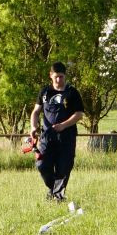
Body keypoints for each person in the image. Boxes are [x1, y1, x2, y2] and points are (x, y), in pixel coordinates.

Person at [30, 61, 85, 205]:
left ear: (65, 76)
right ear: (51, 76)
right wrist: (33, 127)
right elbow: (36, 112)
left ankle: (58, 197)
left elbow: (79, 114)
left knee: (64, 167)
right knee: (42, 164)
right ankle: (53, 190)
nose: (59, 80)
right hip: (47, 137)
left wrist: (63, 125)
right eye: (56, 77)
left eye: (61, 77)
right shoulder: (45, 92)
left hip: (66, 137)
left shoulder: (72, 93)